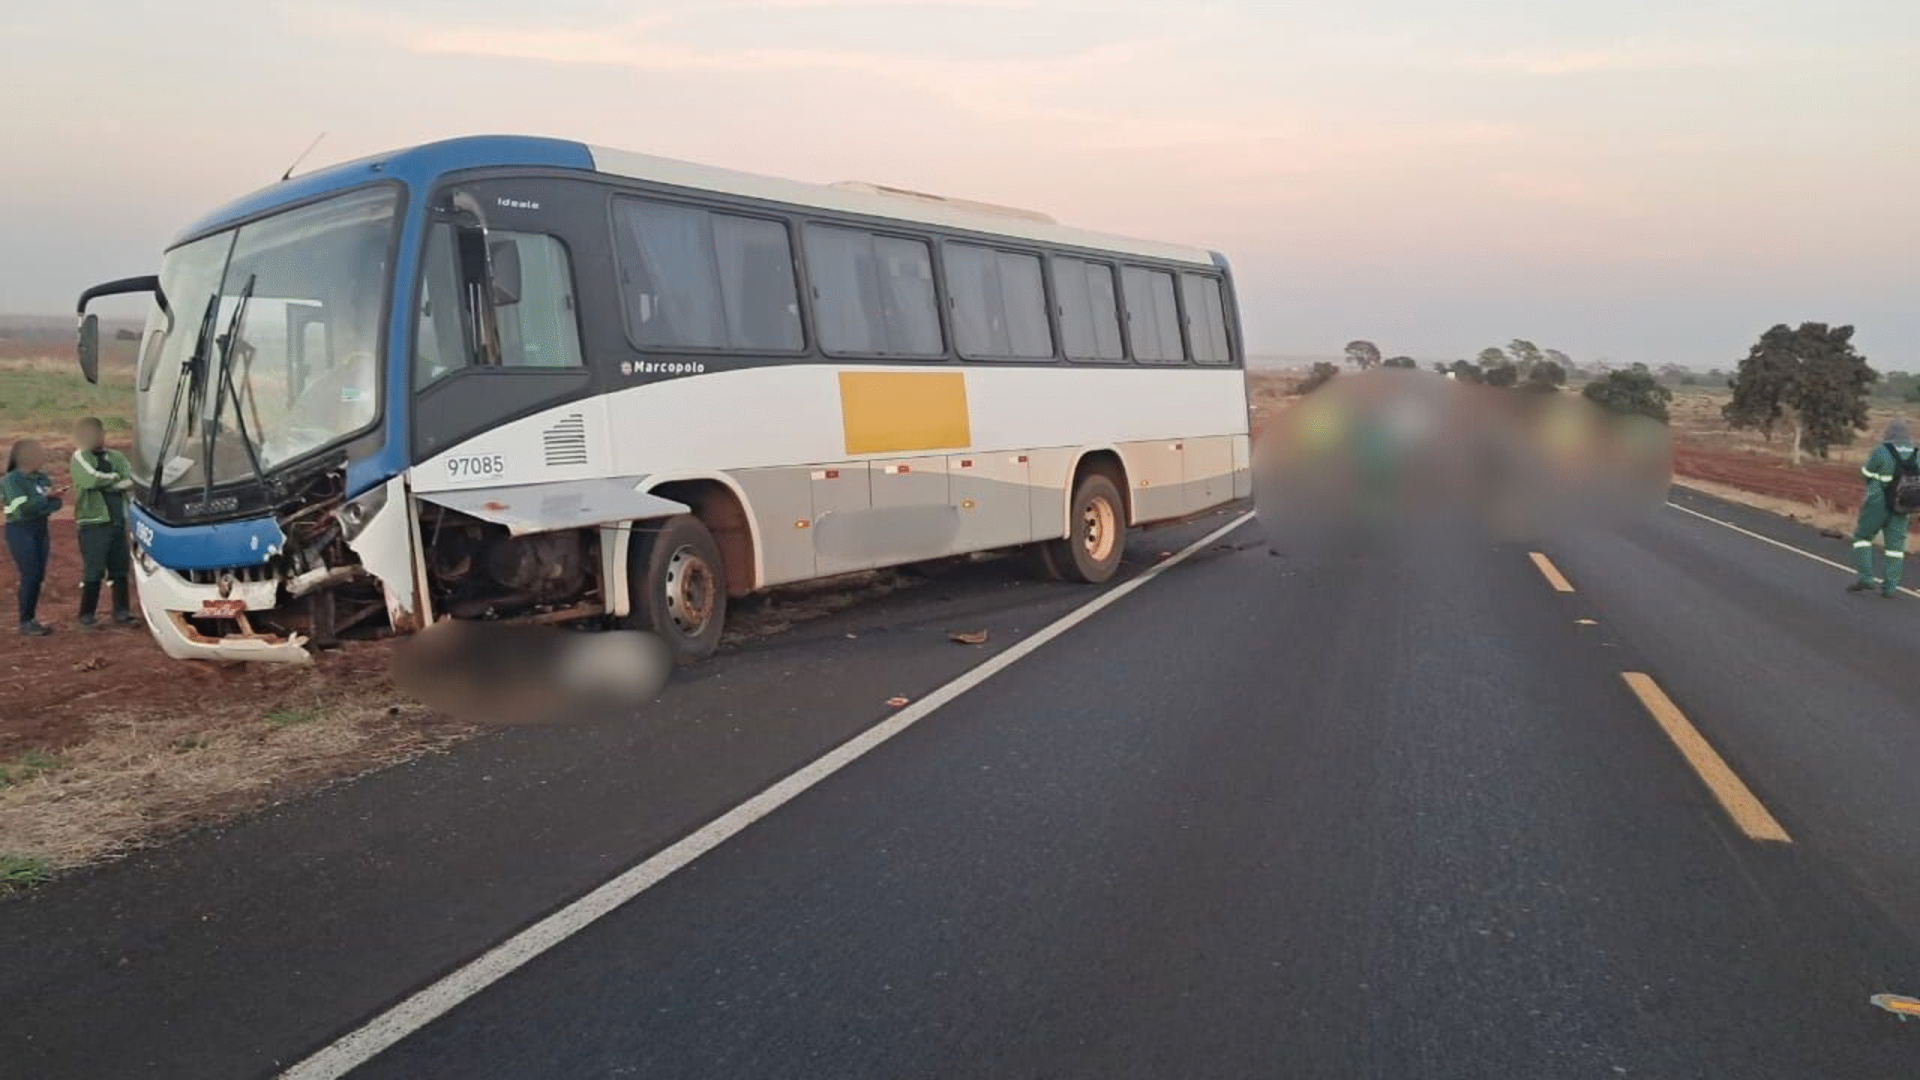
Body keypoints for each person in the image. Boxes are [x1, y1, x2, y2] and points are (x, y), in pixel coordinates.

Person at [70, 417, 138, 627]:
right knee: (94, 569)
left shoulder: (116, 456)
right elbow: (90, 479)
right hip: (93, 523)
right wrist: (116, 480)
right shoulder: (79, 457)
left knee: (120, 568)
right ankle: (86, 616)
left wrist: (112, 483)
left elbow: (132, 478)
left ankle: (121, 612)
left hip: (117, 521)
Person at [1849, 418, 1917, 598]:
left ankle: (1866, 578)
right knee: (1895, 547)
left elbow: (1867, 473)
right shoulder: (1917, 454)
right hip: (1903, 504)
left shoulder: (1881, 451)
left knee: (1862, 537)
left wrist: (1874, 484)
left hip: (1878, 501)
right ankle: (1890, 587)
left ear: (1889, 434)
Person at [3, 439, 65, 636]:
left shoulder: (41, 478)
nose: (43, 457)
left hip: (38, 528)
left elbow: (57, 505)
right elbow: (21, 508)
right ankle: (25, 621)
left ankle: (30, 619)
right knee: (30, 574)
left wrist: (44, 502)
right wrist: (46, 499)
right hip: (20, 529)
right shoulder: (11, 480)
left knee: (37, 575)